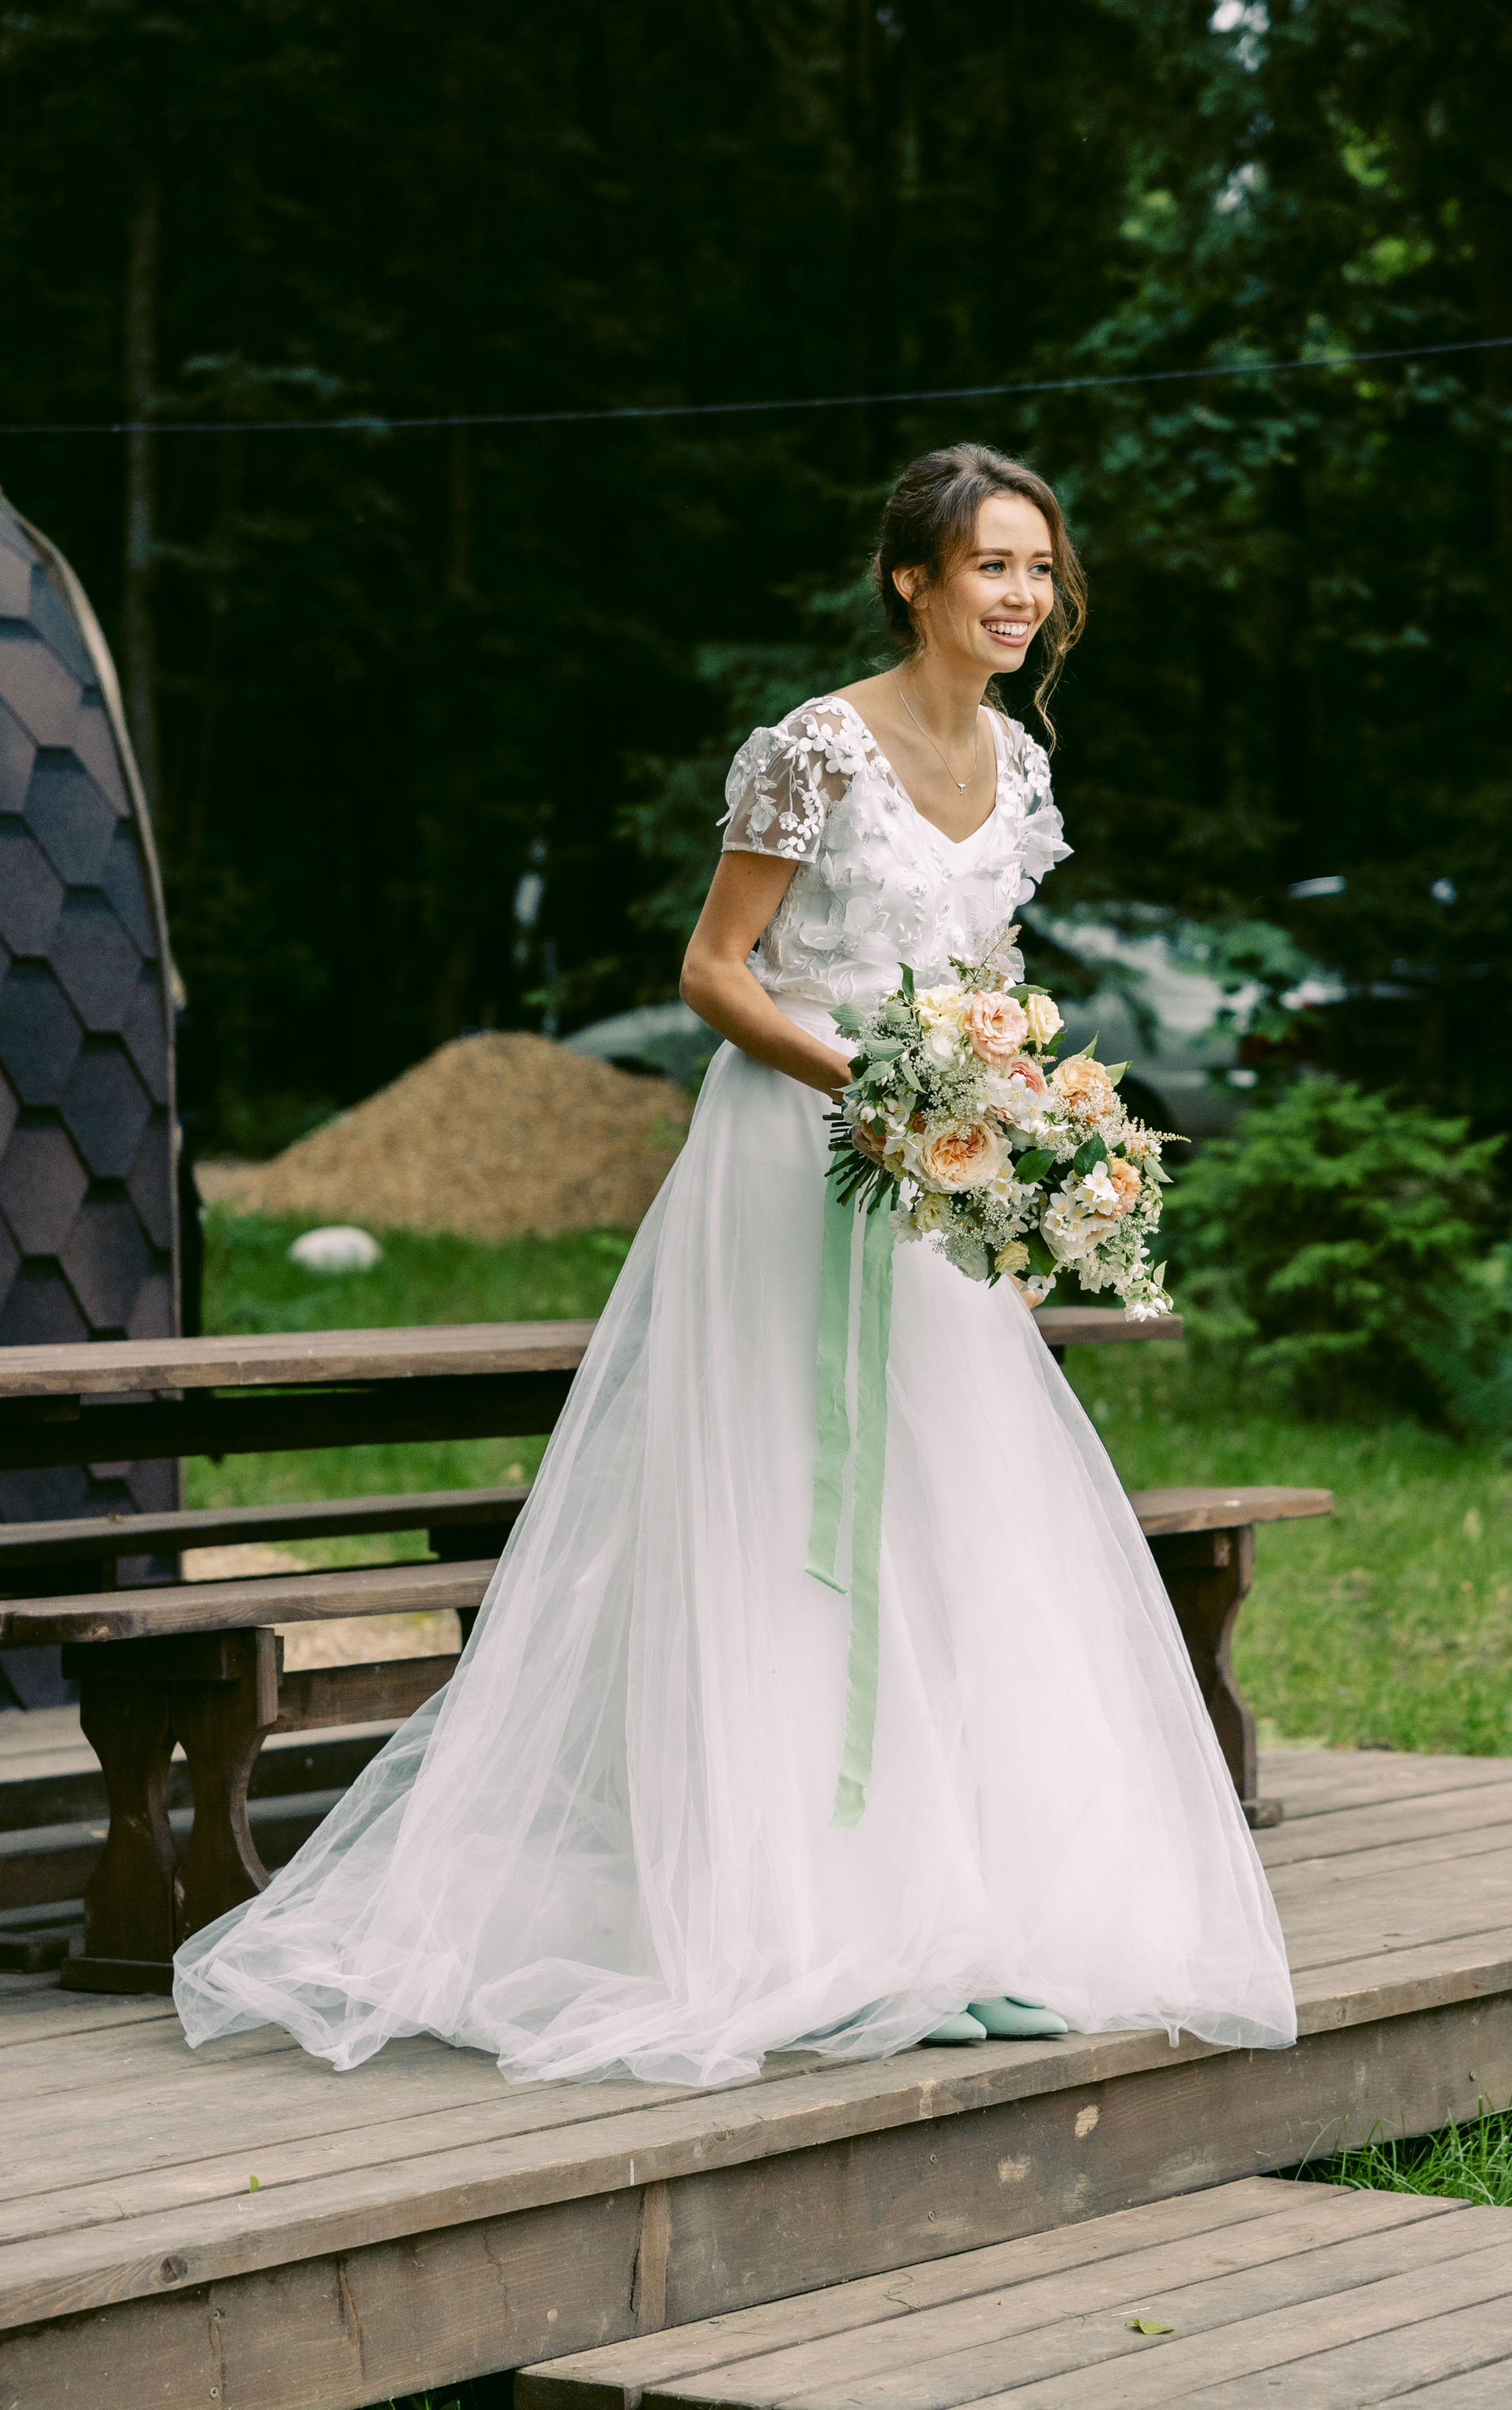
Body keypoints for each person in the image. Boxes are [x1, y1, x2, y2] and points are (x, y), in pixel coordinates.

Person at [172, 443, 1295, 2086]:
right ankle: (784, 1915)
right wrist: (879, 1086)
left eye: (1038, 570)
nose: (1020, 596)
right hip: (793, 1161)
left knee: (946, 1510)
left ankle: (948, 1910)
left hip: (932, 1192)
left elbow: (983, 978)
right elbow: (712, 970)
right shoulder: (810, 752)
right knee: (785, 1511)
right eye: (991, 566)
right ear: (912, 578)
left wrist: (1012, 1103)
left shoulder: (1021, 766)